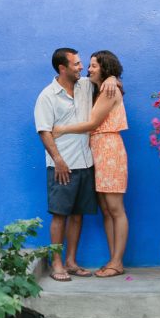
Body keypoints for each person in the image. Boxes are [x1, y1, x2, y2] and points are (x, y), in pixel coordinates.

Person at [34, 48, 116, 282]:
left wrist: (111, 77)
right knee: (60, 214)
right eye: (77, 64)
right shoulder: (47, 96)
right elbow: (44, 131)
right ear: (62, 68)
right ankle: (57, 263)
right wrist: (58, 160)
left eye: (82, 64)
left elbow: (111, 83)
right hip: (62, 165)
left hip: (85, 162)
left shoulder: (85, 86)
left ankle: (71, 261)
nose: (81, 67)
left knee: (78, 214)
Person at [53, 50, 129, 277]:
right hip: (98, 150)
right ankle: (113, 259)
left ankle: (117, 262)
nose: (88, 69)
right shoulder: (101, 87)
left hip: (109, 150)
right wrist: (112, 78)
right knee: (106, 210)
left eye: (93, 65)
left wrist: (62, 129)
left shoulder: (109, 89)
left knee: (115, 209)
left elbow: (93, 122)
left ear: (105, 67)